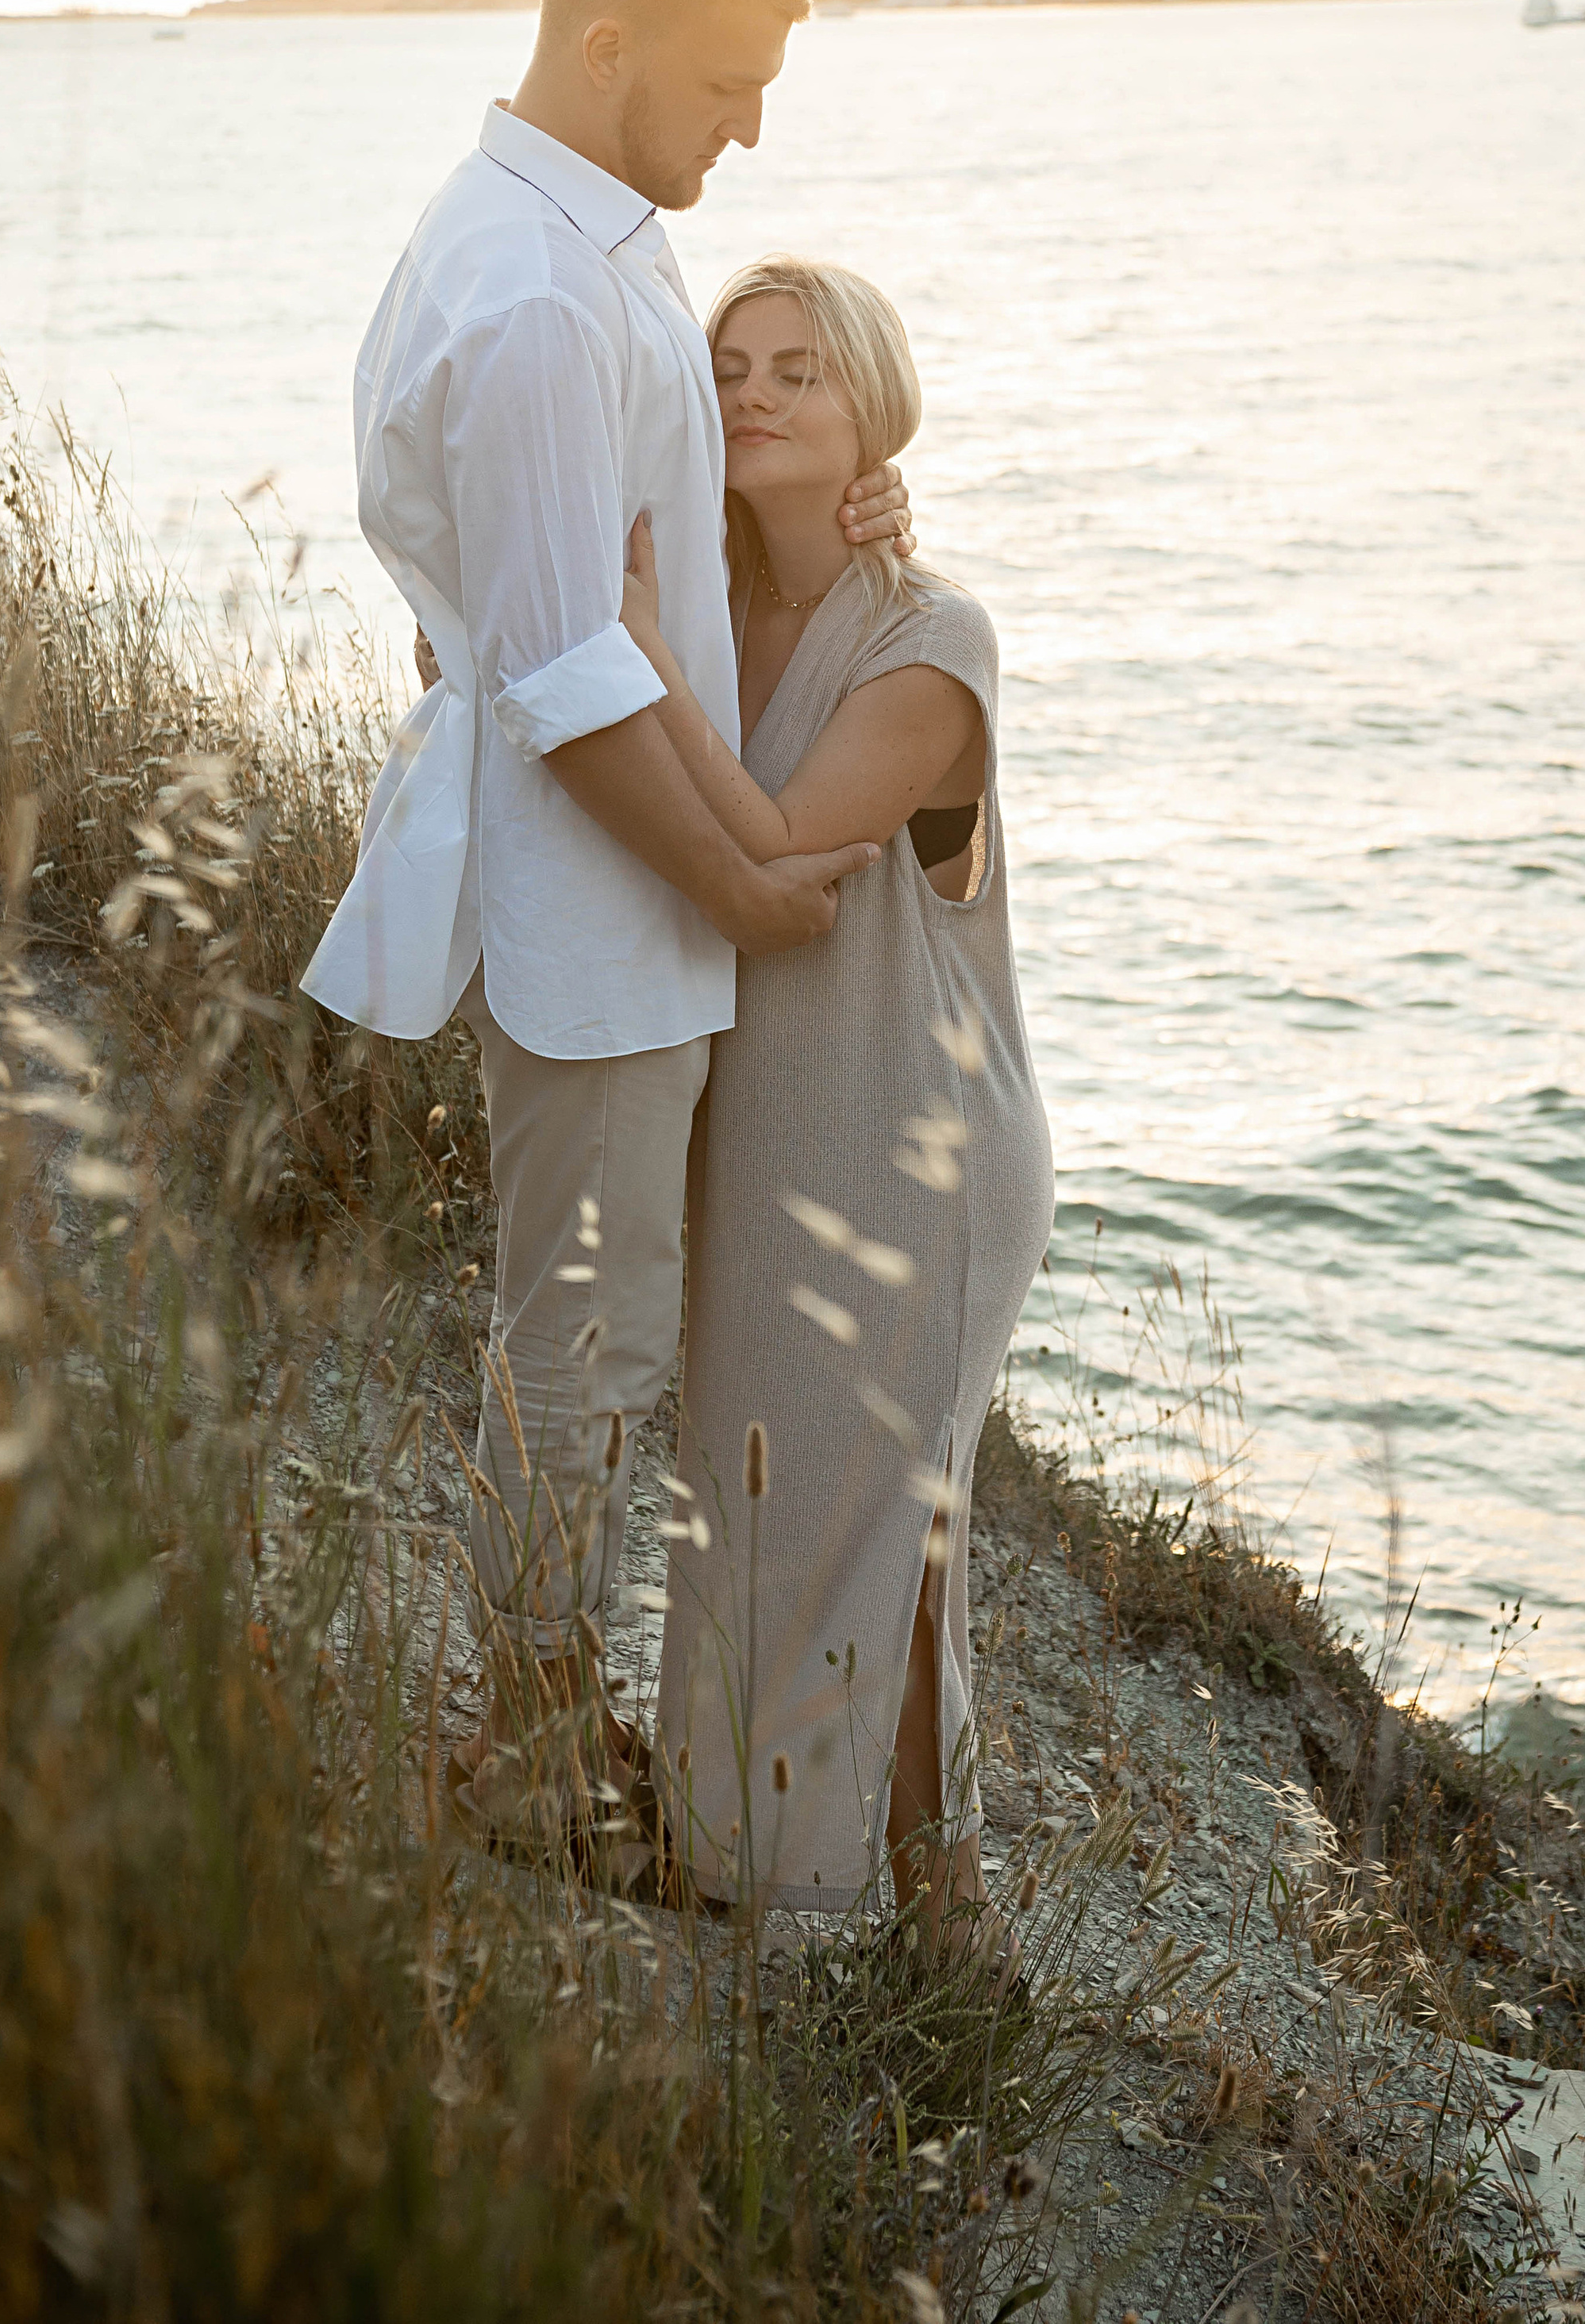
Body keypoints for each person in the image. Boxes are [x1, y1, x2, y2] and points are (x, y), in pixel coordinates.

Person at [300, 0, 914, 1833]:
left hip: (632, 893)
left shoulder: (591, 238)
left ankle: (548, 1716)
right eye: (729, 82)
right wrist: (738, 885)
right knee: (579, 1343)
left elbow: (613, 564)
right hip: (600, 904)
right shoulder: (535, 288)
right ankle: (527, 1752)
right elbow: (566, 671)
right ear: (607, 43)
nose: (754, 124)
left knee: (602, 1326)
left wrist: (846, 518)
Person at [617, 258, 1055, 1967]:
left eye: (800, 371)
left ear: (872, 409)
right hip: (767, 1133)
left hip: (917, 1143)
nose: (753, 391)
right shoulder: (712, 611)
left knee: (871, 1520)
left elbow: (780, 848)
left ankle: (793, 1910)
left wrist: (639, 663)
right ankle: (932, 1931)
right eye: (727, 365)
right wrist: (625, 639)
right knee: (821, 1518)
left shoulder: (931, 642)